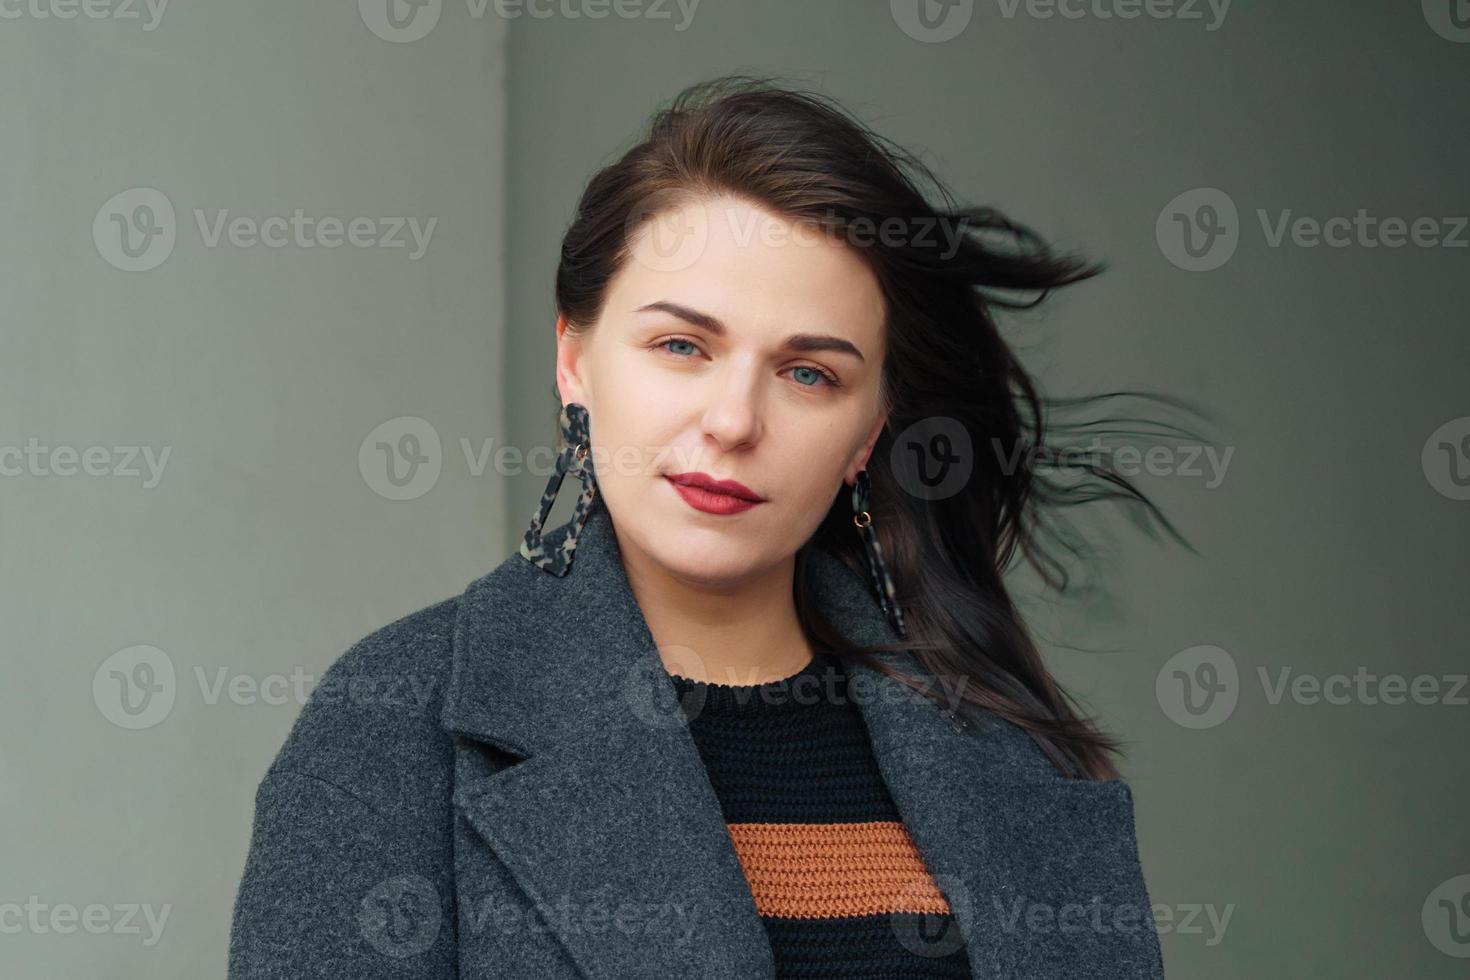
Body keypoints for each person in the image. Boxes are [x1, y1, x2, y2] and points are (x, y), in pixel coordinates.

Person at [228, 75, 1180, 979]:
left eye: (810, 374)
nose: (734, 421)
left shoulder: (1004, 750)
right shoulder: (394, 724)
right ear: (576, 359)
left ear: (868, 432)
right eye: (682, 346)